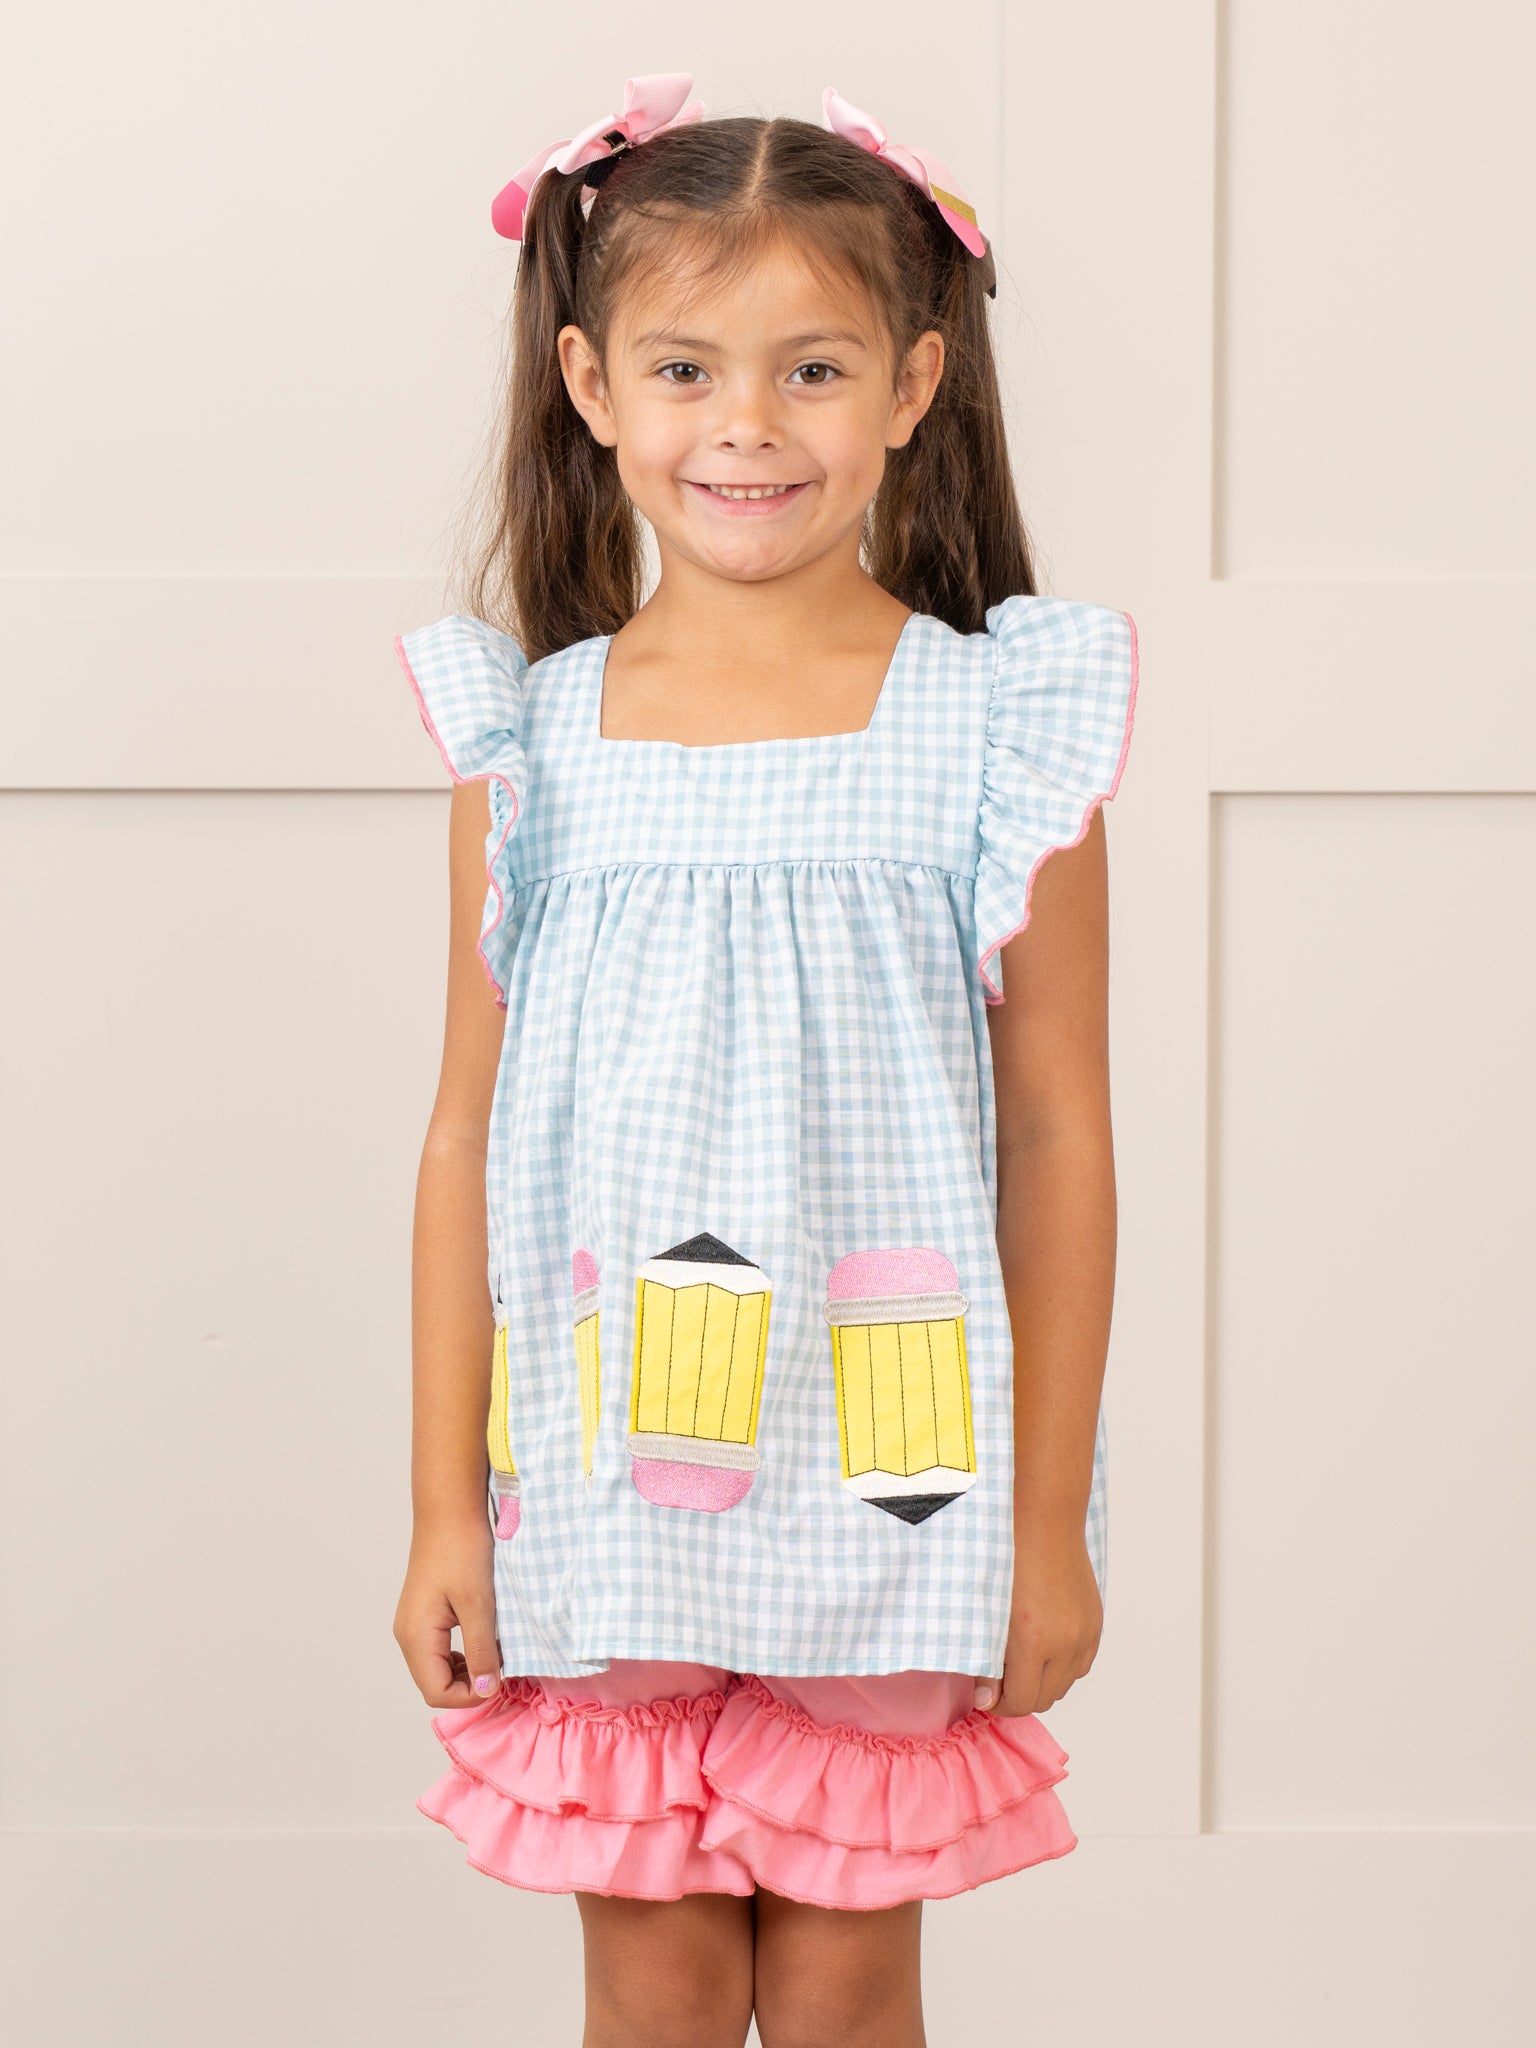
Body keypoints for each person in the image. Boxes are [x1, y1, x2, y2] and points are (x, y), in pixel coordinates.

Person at [391, 70, 1139, 2048]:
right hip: (607, 1455)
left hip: (897, 1452)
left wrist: (1047, 1521)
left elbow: (1060, 1133)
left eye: (811, 369)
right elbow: (463, 1137)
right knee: (650, 1978)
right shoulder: (535, 750)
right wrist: (442, 1506)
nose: (746, 424)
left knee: (841, 1979)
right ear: (589, 382)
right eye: (685, 368)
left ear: (911, 386)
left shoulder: (1002, 734)